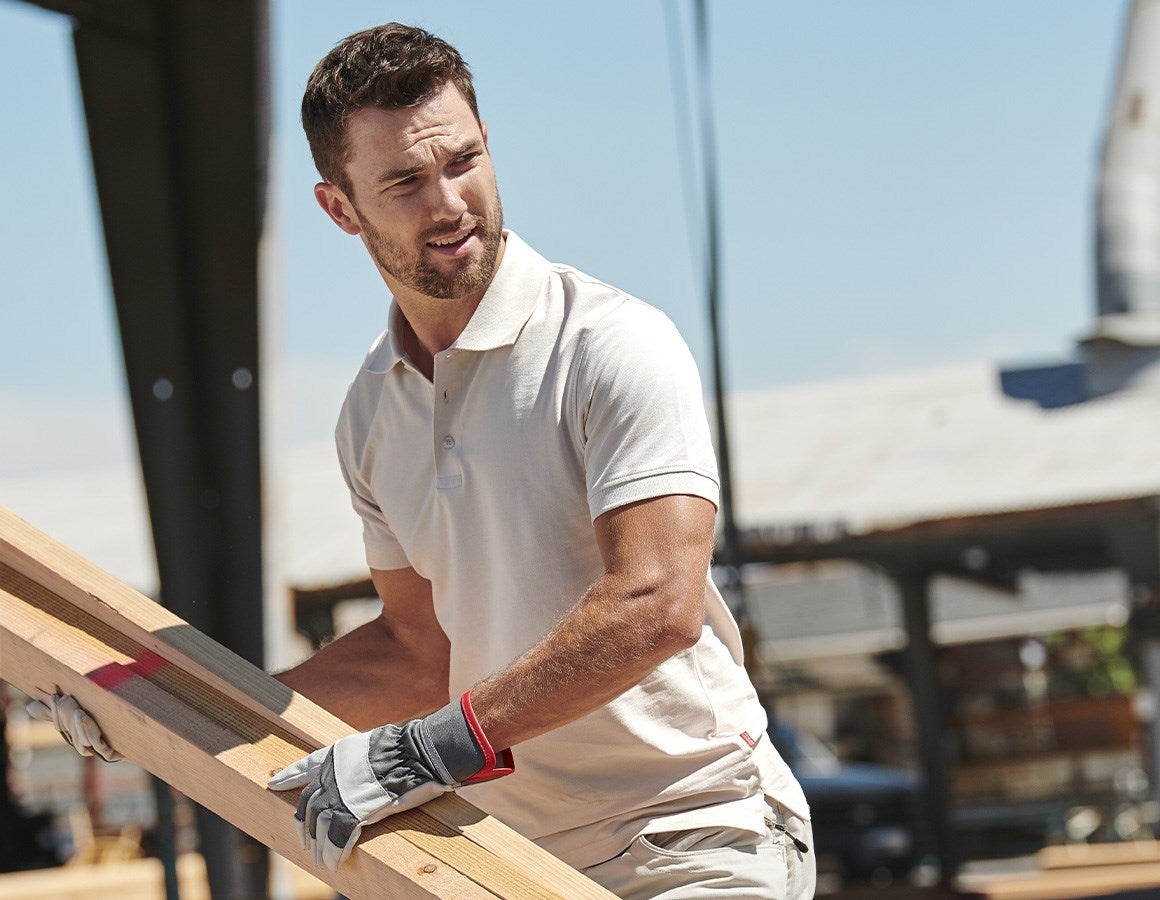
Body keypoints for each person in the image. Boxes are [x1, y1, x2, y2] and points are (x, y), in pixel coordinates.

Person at [36, 22, 814, 899]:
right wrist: (160, 708)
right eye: (405, 181)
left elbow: (657, 603)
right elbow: (416, 650)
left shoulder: (611, 344)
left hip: (692, 832)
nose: (448, 203)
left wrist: (435, 748)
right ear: (341, 208)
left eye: (464, 161)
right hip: (512, 862)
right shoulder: (372, 412)